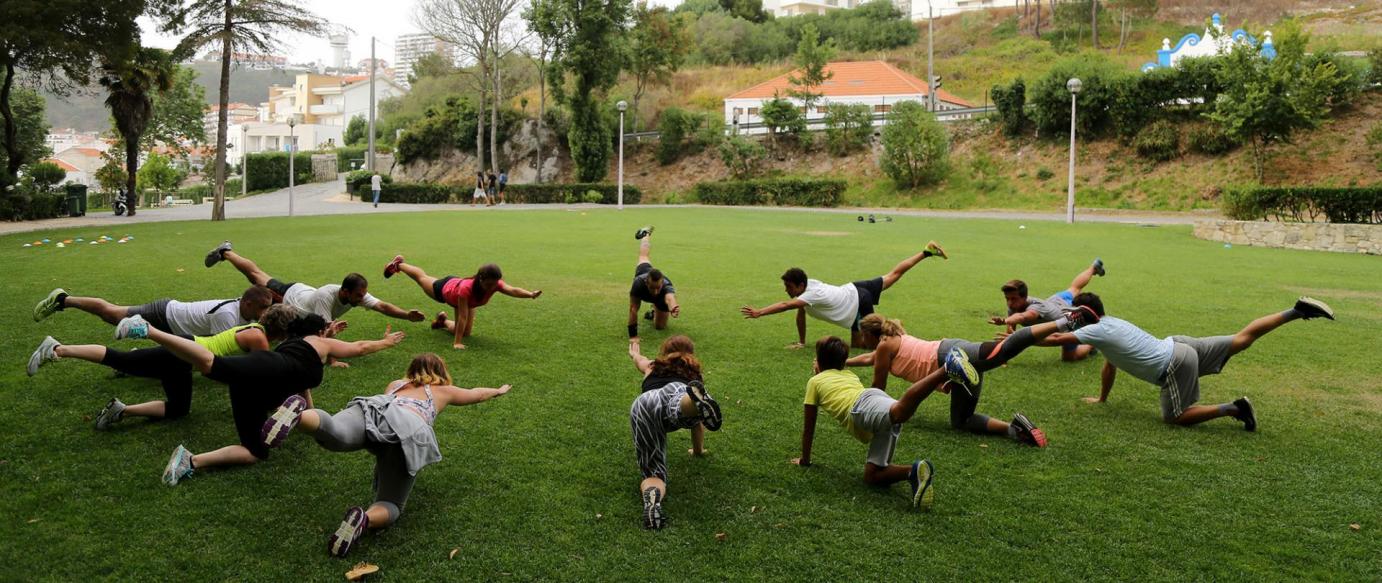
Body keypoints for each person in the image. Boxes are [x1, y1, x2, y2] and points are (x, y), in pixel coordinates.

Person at [106, 307, 406, 486]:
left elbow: (302, 387)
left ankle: (189, 461)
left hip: (258, 385)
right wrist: (386, 342)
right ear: (319, 331)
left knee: (256, 451)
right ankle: (149, 330)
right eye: (329, 329)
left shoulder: (298, 344)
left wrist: (306, 415)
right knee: (210, 363)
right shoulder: (317, 342)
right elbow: (360, 347)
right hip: (269, 373)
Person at [258, 353, 512, 557]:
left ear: (412, 370)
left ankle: (299, 416)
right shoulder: (444, 391)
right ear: (441, 373)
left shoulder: (395, 385)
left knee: (334, 433)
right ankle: (364, 519)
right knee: (391, 503)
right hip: (408, 429)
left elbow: (386, 417)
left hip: (373, 408)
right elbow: (476, 394)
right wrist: (497, 390)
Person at [1043, 293, 1335, 430]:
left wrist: (1017, 339)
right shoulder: (1111, 325)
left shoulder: (1095, 329)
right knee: (1241, 338)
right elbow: (1110, 365)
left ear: (1085, 313)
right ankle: (1297, 311)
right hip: (1178, 344)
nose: (1072, 318)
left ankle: (1236, 409)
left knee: (1175, 417)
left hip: (1173, 363)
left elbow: (1055, 339)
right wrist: (1102, 399)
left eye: (1075, 313)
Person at [846, 312, 1098, 447]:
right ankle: (1016, 429)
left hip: (952, 356)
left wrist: (876, 413)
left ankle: (1064, 322)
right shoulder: (891, 341)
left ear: (870, 333)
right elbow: (869, 359)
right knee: (962, 421)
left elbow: (878, 387)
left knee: (1003, 351)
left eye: (861, 336)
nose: (861, 342)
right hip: (955, 370)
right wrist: (844, 362)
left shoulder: (883, 346)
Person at [26, 304, 297, 429]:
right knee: (122, 360)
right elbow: (257, 376)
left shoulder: (254, 328)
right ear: (282, 331)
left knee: (179, 409)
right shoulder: (258, 338)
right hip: (184, 351)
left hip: (185, 359)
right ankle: (58, 349)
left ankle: (120, 411)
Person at [792, 336, 977, 510]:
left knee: (900, 413)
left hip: (861, 405)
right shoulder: (848, 375)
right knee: (872, 475)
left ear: (819, 360)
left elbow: (809, 427)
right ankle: (914, 472)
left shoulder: (814, 382)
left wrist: (805, 460)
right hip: (872, 401)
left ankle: (945, 369)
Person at [740, 241, 948, 349]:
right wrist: (802, 342)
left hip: (859, 301)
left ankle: (902, 335)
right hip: (853, 289)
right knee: (893, 275)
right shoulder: (809, 289)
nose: (787, 290)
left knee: (870, 345)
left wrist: (760, 312)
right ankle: (926, 251)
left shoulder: (810, 294)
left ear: (800, 285)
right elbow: (798, 312)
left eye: (789, 286)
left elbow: (786, 305)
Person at [204, 241, 425, 331]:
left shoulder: (355, 294)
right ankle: (226, 252)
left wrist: (407, 315)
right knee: (256, 276)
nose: (362, 299)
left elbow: (383, 307)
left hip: (300, 295)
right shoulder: (326, 296)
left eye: (363, 295)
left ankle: (226, 252)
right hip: (288, 295)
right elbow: (325, 331)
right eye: (359, 295)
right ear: (345, 292)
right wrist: (334, 359)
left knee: (258, 276)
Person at [629, 358, 721, 530]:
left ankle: (653, 502)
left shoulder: (653, 365)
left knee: (653, 472)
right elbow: (697, 427)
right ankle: (693, 402)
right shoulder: (692, 374)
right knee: (677, 407)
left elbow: (638, 360)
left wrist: (634, 349)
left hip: (642, 404)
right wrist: (697, 450)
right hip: (676, 391)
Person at [382, 256, 541, 349]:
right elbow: (463, 316)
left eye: (495, 284)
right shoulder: (467, 289)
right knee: (422, 278)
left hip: (465, 299)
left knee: (467, 333)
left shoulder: (495, 284)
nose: (492, 287)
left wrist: (530, 295)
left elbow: (512, 290)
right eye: (489, 284)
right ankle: (399, 264)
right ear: (480, 279)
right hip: (444, 289)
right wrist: (457, 343)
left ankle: (442, 322)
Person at [32, 285, 274, 337]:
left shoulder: (242, 310)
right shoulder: (228, 316)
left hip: (174, 320)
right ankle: (63, 299)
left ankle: (130, 363)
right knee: (112, 315)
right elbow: (216, 351)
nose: (265, 314)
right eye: (262, 309)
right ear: (248, 304)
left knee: (123, 324)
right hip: (165, 314)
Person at [989, 258, 1106, 362]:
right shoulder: (1015, 304)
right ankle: (1093, 268)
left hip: (1068, 317)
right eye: (1007, 298)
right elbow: (1010, 335)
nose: (1009, 302)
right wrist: (1003, 357)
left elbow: (1023, 317)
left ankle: (1091, 344)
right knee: (1074, 288)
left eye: (1013, 299)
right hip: (1056, 302)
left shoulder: (1034, 309)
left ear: (1024, 297)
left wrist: (1005, 321)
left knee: (1069, 358)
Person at [627, 226, 680, 339]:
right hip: (644, 271)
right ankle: (645, 235)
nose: (656, 291)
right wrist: (633, 336)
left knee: (660, 327)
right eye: (652, 288)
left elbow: (670, 298)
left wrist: (673, 307)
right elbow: (633, 309)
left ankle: (653, 311)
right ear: (647, 283)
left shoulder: (666, 285)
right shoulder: (639, 283)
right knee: (643, 256)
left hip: (660, 300)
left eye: (658, 287)